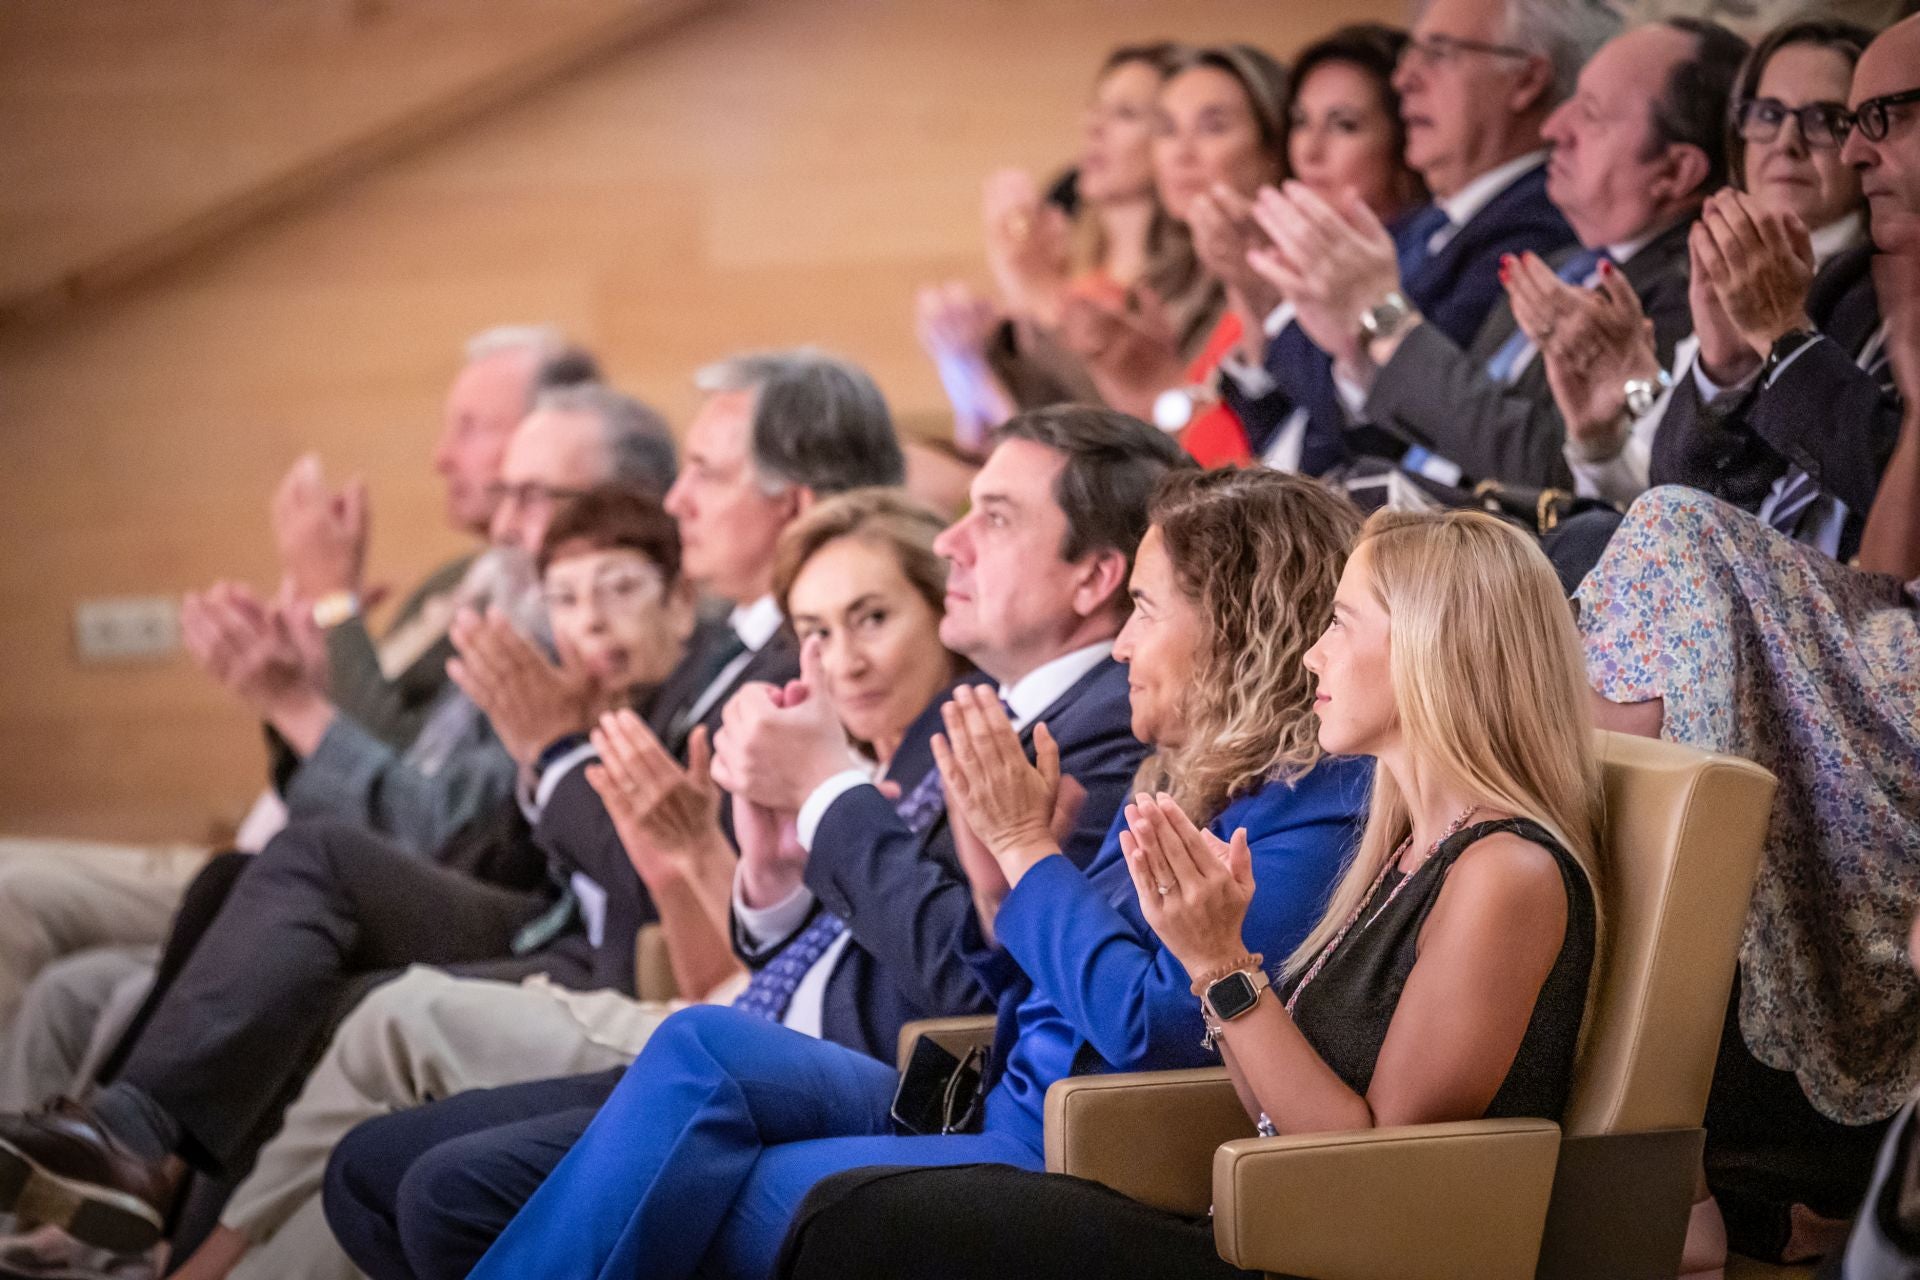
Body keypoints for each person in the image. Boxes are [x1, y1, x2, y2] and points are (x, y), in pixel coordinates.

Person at [0, 350, 902, 1258]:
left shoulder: (767, 655)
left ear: (786, 505)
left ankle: (157, 1210)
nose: (678, 499)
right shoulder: (632, 627)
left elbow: (651, 861)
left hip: (634, 956)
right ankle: (134, 1175)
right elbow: (496, 824)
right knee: (252, 900)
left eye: (705, 474)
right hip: (566, 907)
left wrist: (548, 746)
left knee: (342, 973)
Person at [454, 466, 1373, 1280]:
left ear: (1236, 625)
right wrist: (1000, 888)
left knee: (715, 1198)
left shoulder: (1310, 814)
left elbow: (1159, 1029)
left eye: (1144, 609)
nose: (1124, 645)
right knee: (703, 1045)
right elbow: (1040, 996)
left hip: (1067, 1142)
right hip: (991, 1094)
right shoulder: (1193, 780)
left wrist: (1026, 849)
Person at [321, 406, 1176, 1280]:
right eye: (814, 632)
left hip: (913, 1077)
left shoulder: (1101, 729)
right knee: (373, 1169)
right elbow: (870, 938)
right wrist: (769, 880)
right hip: (784, 1035)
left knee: (443, 1182)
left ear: (1093, 577)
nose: (952, 541)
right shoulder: (993, 709)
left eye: (993, 518)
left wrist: (825, 795)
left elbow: (979, 980)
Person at [155, 489, 964, 1280]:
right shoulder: (813, 740)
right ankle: (182, 1230)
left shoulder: (810, 730)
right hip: (706, 1007)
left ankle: (181, 1228)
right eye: (816, 632)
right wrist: (713, 862)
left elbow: (925, 975)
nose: (843, 659)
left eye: (872, 619)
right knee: (363, 1148)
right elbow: (739, 946)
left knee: (411, 1113)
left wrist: (597, 782)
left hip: (755, 1041)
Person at [778, 507, 1606, 1280]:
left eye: (1341, 624)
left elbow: (1367, 1168)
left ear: (1431, 649)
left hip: (1317, 1255)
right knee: (848, 1210)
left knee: (854, 1222)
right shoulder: (1401, 850)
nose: (1312, 656)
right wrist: (1208, 957)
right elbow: (1272, 1112)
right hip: (1252, 1220)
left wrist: (1222, 964)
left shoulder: (1505, 873)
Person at [0, 325, 592, 1049]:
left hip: (362, 872)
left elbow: (419, 785)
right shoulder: (460, 578)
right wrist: (308, 670)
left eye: (471, 428)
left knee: (28, 918)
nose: (443, 457)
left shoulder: (557, 613)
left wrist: (332, 612)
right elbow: (383, 745)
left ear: (555, 435)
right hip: (293, 841)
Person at [1579, 15, 1920, 1268]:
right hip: (1850, 638)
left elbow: (1887, 532)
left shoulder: (1845, 292)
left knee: (1657, 542)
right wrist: (1730, 358)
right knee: (1601, 558)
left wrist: (1781, 346)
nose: (1841, 148)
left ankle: (1646, 1087)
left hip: (1886, 656)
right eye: (1770, 115)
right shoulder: (1840, 282)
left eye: (1868, 117)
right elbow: (1716, 485)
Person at [1269, 18, 1745, 498]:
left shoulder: (1698, 297)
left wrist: (1383, 316)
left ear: (1677, 171)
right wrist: (1357, 349)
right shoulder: (1564, 263)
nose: (1554, 127)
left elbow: (1557, 470)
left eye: (1591, 114)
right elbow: (1444, 434)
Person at [1241, 0, 1610, 483]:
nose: (1403, 79)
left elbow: (1435, 425)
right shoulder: (1429, 224)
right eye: (1410, 54)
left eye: (1438, 53)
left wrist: (1372, 317)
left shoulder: (1542, 227)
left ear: (1526, 80)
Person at [1641, 17, 1897, 561]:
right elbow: (1679, 504)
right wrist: (1724, 371)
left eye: (1825, 120)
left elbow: (1887, 476)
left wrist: (1783, 334)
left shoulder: (1876, 285)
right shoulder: (1714, 266)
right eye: (1769, 114)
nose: (1787, 142)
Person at [916, 43, 1185, 454]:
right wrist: (962, 362)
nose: (1093, 126)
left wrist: (1035, 292)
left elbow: (1112, 453)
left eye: (1126, 114)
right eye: (1095, 109)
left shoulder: (1183, 290)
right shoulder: (1072, 271)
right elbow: (986, 446)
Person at [1214, 22, 1427, 472]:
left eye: (1344, 125)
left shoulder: (1420, 266)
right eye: (1300, 122)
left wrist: (1271, 306)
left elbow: (1367, 433)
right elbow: (1281, 431)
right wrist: (1253, 300)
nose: (1309, 151)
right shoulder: (1298, 252)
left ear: (1403, 138)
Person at [1065, 44, 1288, 465]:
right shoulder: (1168, 286)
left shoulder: (1290, 282)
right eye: (1167, 129)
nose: (1182, 152)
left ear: (1273, 147)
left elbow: (1262, 474)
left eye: (1212, 127)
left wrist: (1164, 393)